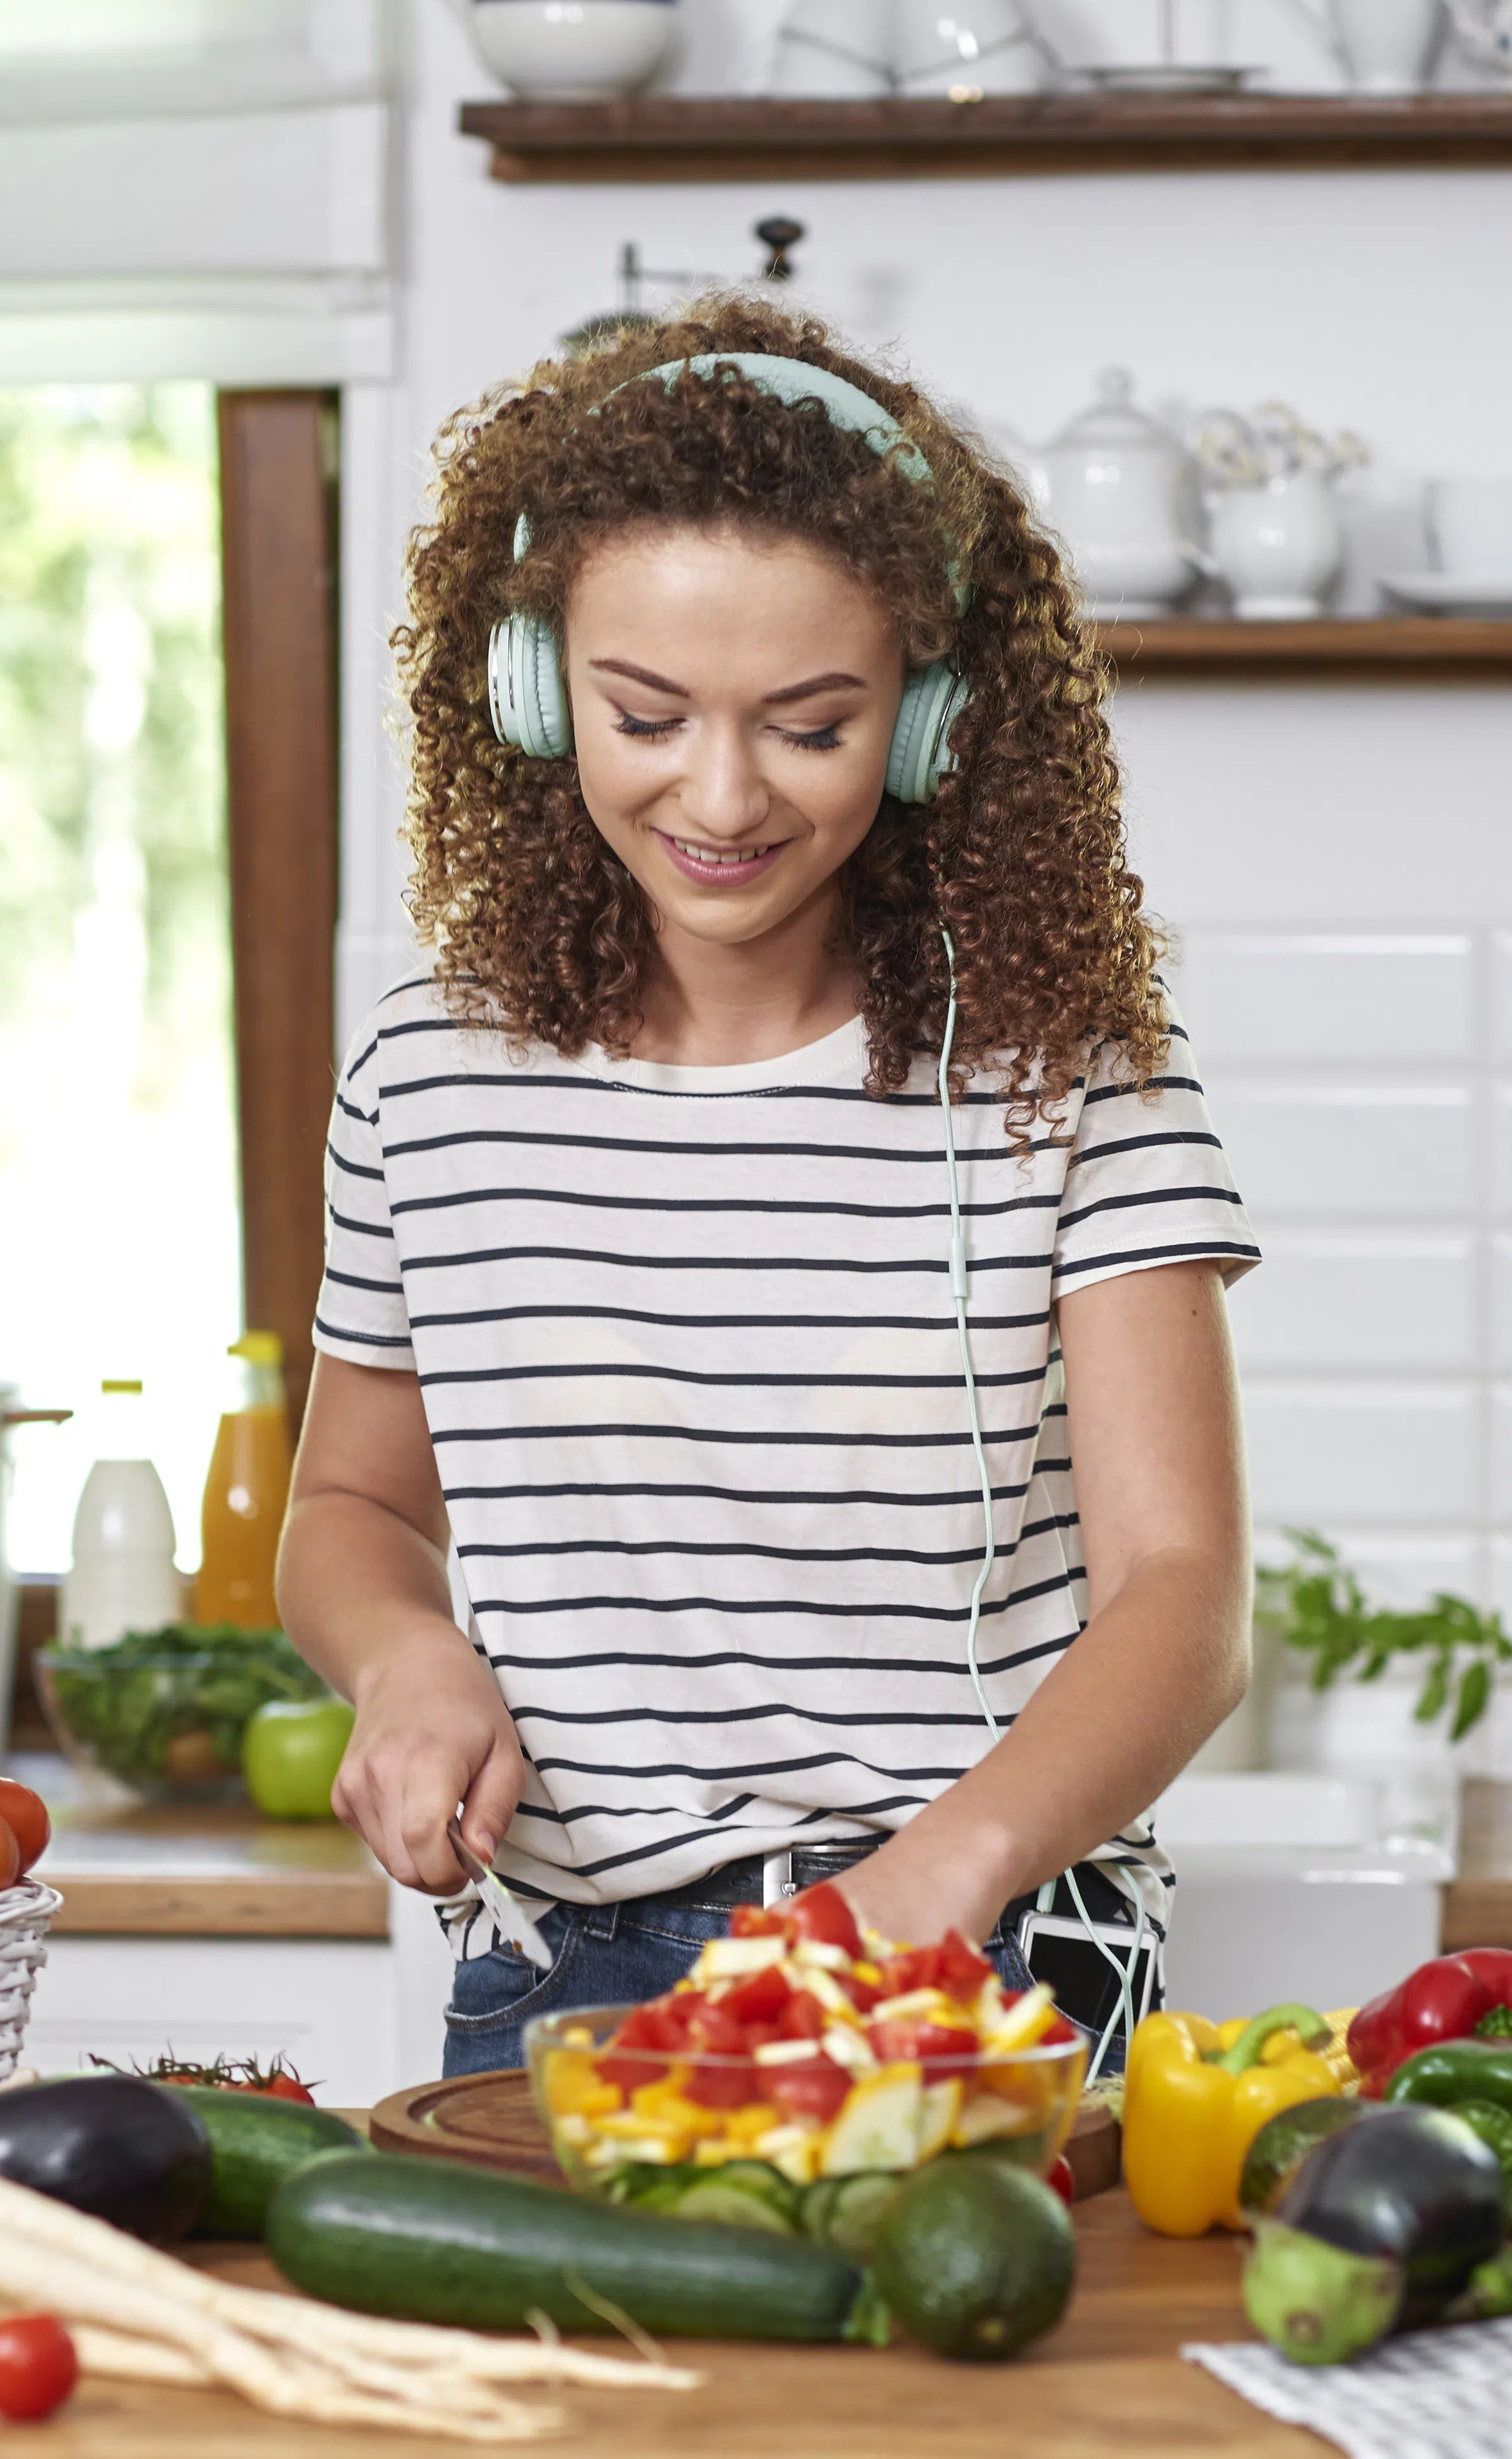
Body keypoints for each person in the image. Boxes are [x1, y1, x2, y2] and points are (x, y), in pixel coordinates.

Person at [276, 298, 1257, 2080]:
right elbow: (346, 1503)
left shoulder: (1067, 1070)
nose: (718, 795)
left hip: (983, 1943)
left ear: (931, 720)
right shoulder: (420, 1079)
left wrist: (927, 1880)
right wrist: (407, 1658)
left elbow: (1185, 1597)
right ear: (526, 686)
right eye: (643, 714)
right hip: (563, 1959)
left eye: (811, 727)